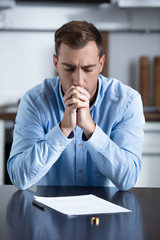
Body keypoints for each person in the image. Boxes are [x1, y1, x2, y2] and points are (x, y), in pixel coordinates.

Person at [7, 21, 145, 191]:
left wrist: (90, 129)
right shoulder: (34, 101)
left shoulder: (127, 102)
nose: (78, 80)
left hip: (108, 212)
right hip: (50, 212)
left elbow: (128, 179)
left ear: (101, 64)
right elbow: (19, 178)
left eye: (88, 69)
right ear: (56, 63)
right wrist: (63, 129)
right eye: (69, 68)